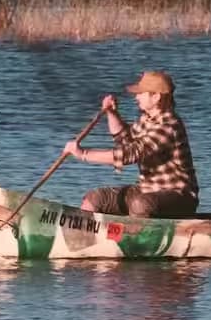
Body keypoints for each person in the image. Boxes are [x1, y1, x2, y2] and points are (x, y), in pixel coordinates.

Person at [70, 69, 200, 217]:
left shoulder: (169, 126)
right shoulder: (147, 119)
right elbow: (125, 142)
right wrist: (112, 114)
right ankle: (81, 237)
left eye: (141, 93)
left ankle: (136, 238)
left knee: (141, 204)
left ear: (156, 97)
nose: (136, 97)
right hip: (147, 189)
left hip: (180, 197)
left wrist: (83, 154)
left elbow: (131, 154)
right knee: (95, 198)